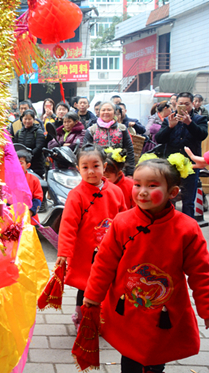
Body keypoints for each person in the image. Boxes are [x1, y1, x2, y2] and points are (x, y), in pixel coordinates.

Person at [84, 157, 209, 373]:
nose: (142, 192)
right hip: (128, 309)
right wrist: (93, 297)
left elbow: (201, 273)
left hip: (164, 310)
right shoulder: (122, 222)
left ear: (173, 192)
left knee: (154, 356)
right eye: (137, 184)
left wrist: (207, 309)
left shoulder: (186, 229)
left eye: (152, 186)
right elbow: (104, 263)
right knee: (130, 356)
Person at [55, 144, 127, 330]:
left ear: (104, 166)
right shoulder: (76, 195)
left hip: (111, 249)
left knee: (109, 284)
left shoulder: (116, 191)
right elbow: (68, 225)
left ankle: (105, 316)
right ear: (78, 169)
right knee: (85, 285)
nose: (91, 171)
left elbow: (124, 218)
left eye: (96, 166)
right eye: (85, 167)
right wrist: (64, 251)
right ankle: (82, 318)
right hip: (86, 251)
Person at [155, 92, 208, 218]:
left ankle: (188, 230)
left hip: (191, 166)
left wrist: (190, 124)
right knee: (169, 199)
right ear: (175, 104)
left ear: (193, 104)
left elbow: (202, 135)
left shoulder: (199, 119)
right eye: (180, 104)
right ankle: (169, 226)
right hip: (170, 166)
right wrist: (170, 127)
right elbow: (158, 139)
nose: (183, 106)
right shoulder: (169, 119)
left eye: (187, 104)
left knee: (188, 200)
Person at [85, 102, 135, 175]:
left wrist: (130, 171)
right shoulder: (91, 130)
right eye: (103, 110)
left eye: (109, 110)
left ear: (114, 113)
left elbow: (129, 149)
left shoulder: (122, 128)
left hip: (119, 169)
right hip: (98, 169)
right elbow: (86, 151)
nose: (106, 112)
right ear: (98, 113)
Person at [13, 110, 46, 177]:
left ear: (33, 120)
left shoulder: (38, 132)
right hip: (22, 165)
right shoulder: (19, 132)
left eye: (29, 119)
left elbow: (39, 148)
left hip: (36, 165)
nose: (27, 121)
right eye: (25, 119)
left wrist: (27, 157)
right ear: (22, 119)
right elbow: (15, 147)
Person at [17, 149, 43, 225]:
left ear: (28, 165)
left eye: (21, 163)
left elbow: (38, 198)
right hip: (12, 215)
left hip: (29, 217)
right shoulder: (8, 179)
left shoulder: (34, 180)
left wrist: (30, 211)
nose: (17, 165)